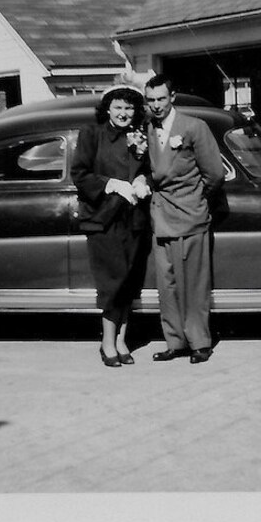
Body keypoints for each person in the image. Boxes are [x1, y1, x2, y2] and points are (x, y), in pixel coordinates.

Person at [144, 74, 225, 364]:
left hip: (190, 215)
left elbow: (214, 174)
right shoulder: (147, 128)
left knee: (193, 284)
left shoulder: (193, 126)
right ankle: (174, 341)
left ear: (172, 97)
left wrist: (194, 198)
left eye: (161, 99)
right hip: (161, 216)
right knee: (166, 285)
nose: (156, 105)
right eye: (150, 100)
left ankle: (199, 342)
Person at [71, 85, 152, 368]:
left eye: (129, 108)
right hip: (103, 219)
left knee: (129, 280)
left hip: (134, 218)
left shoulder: (140, 135)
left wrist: (142, 181)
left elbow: (147, 169)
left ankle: (121, 340)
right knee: (112, 282)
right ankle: (107, 342)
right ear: (108, 109)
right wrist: (112, 184)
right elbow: (80, 174)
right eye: (118, 107)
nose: (123, 113)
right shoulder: (91, 133)